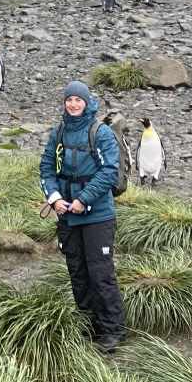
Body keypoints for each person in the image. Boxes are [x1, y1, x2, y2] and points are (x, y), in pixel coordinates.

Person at [39, 80, 125, 352]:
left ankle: (113, 331)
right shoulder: (59, 131)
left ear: (87, 102)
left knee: (100, 273)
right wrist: (55, 199)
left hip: (97, 216)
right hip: (67, 215)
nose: (73, 104)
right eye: (69, 100)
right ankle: (89, 326)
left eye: (78, 100)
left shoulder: (100, 133)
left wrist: (82, 200)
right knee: (77, 271)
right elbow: (46, 168)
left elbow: (109, 172)